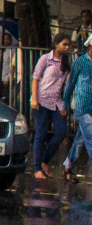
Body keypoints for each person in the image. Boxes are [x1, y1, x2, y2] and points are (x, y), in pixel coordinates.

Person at [33, 34, 73, 179]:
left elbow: (67, 86)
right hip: (41, 100)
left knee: (61, 132)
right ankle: (37, 168)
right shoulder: (45, 59)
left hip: (56, 101)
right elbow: (36, 78)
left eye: (68, 45)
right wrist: (34, 99)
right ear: (56, 44)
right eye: (64, 44)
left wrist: (64, 106)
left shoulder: (66, 62)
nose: (67, 47)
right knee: (41, 133)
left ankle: (44, 160)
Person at [63, 42, 92, 179]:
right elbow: (70, 84)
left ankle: (68, 165)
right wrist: (64, 105)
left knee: (81, 138)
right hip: (82, 106)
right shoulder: (79, 62)